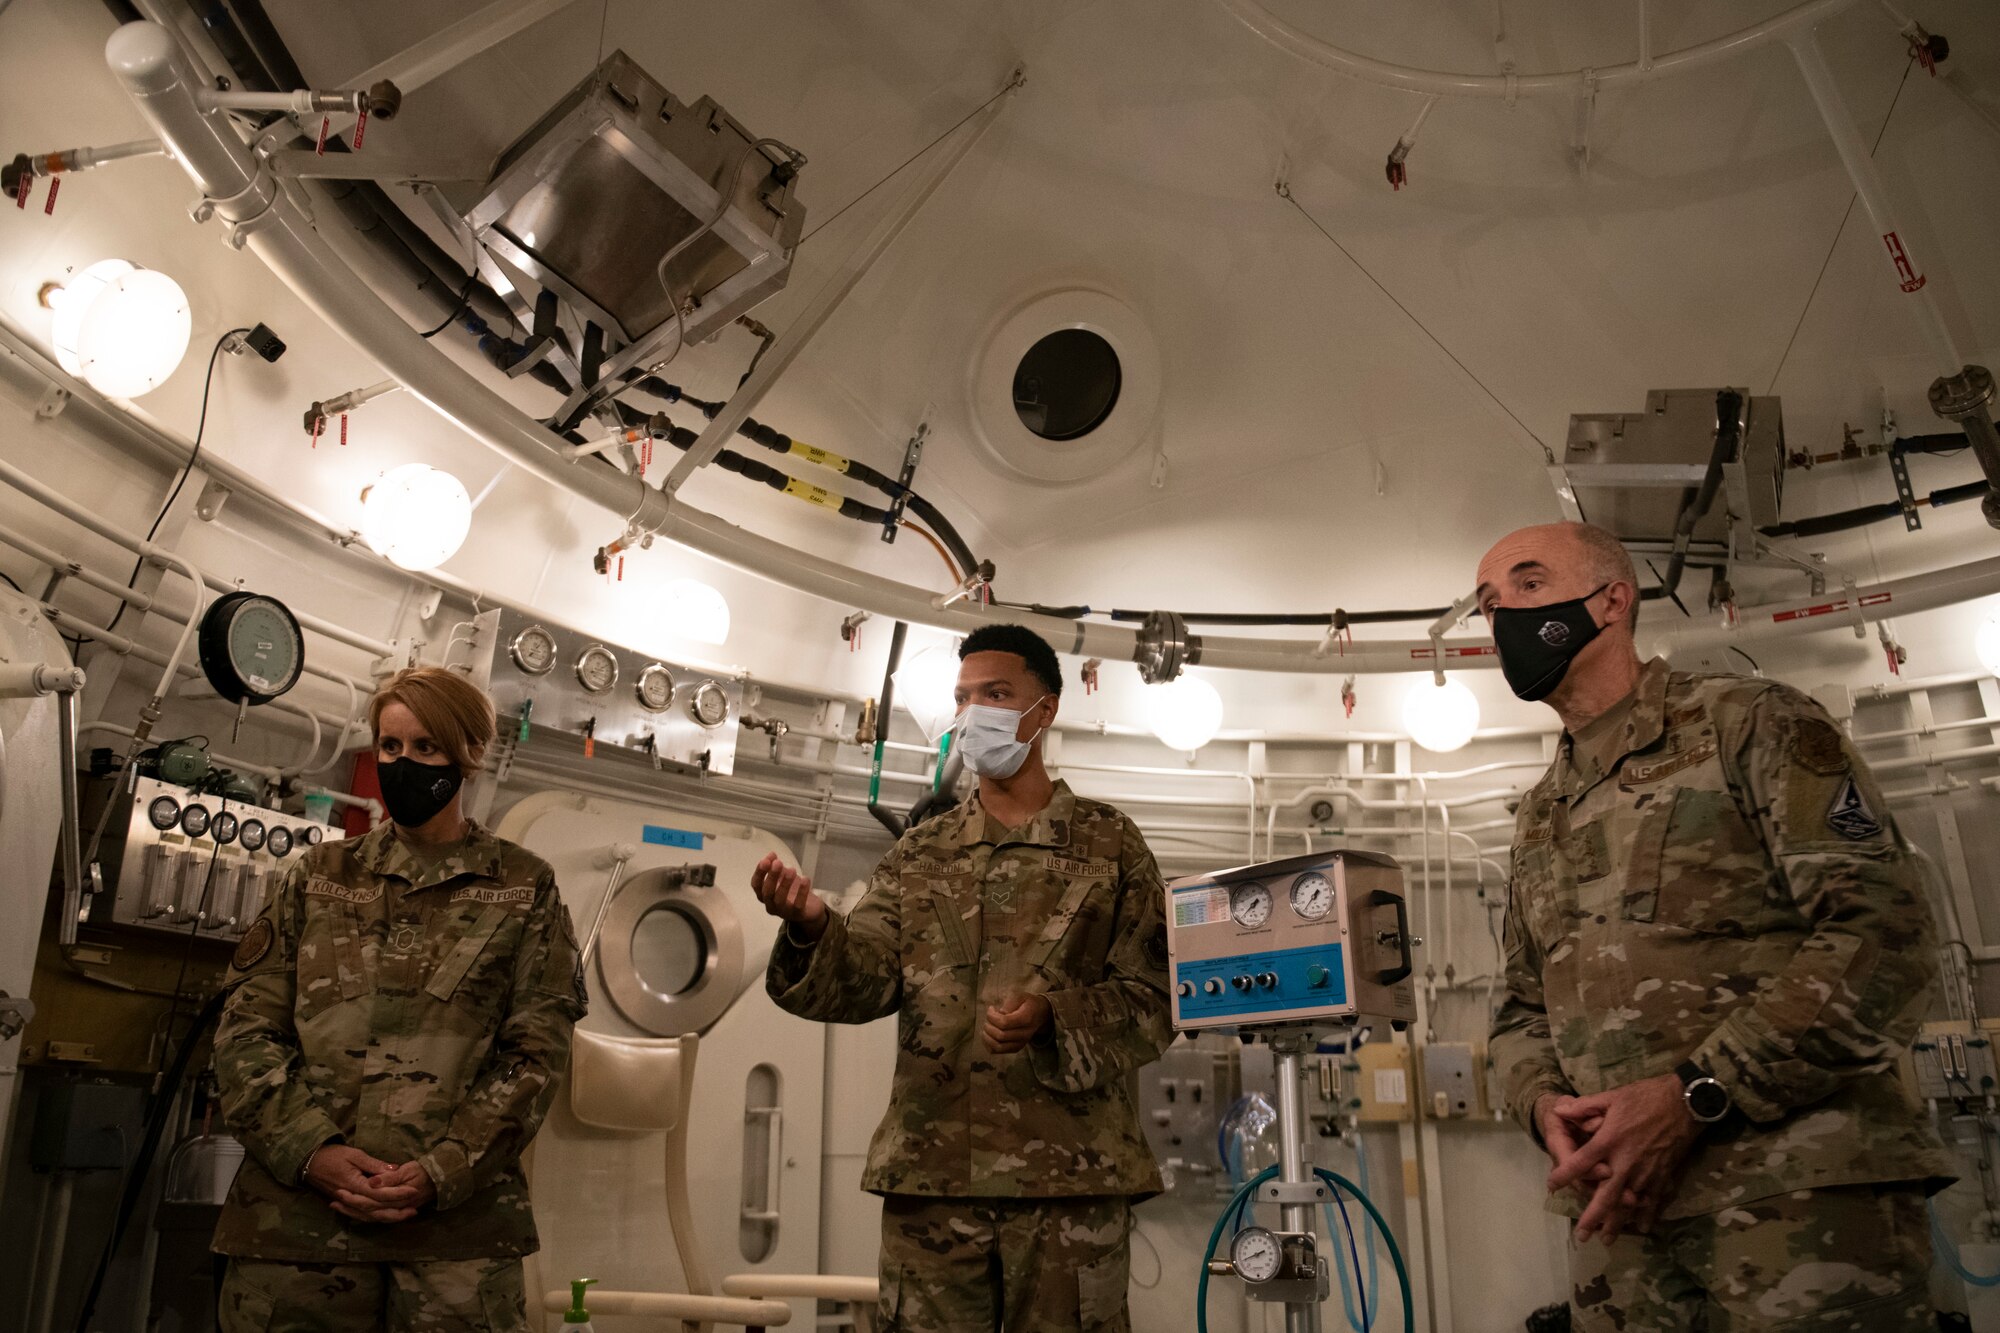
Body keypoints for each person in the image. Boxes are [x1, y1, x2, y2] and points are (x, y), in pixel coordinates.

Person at [1478, 521, 1954, 1332]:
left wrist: (1696, 1093)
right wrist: (1542, 1109)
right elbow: (1521, 1010)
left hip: (1796, 1201)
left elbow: (1883, 933)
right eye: (1487, 605)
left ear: (1613, 600)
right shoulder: (1538, 815)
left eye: (1526, 585)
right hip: (1620, 1222)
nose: (1501, 618)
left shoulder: (1748, 722)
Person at [752, 623, 1171, 1332]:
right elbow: (864, 977)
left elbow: (1154, 999)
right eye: (963, 696)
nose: (974, 712)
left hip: (1067, 1188)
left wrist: (1054, 1017)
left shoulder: (1112, 846)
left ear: (1046, 709)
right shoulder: (922, 852)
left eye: (996, 694)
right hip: (934, 1185)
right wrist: (815, 925)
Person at [210, 666, 586, 1331]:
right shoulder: (316, 878)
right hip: (298, 1234)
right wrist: (313, 1150)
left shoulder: (524, 888)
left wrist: (443, 1168)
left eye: (425, 748)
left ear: (465, 755)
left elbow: (535, 1056)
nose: (402, 763)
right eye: (390, 746)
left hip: (455, 1249)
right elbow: (245, 1035)